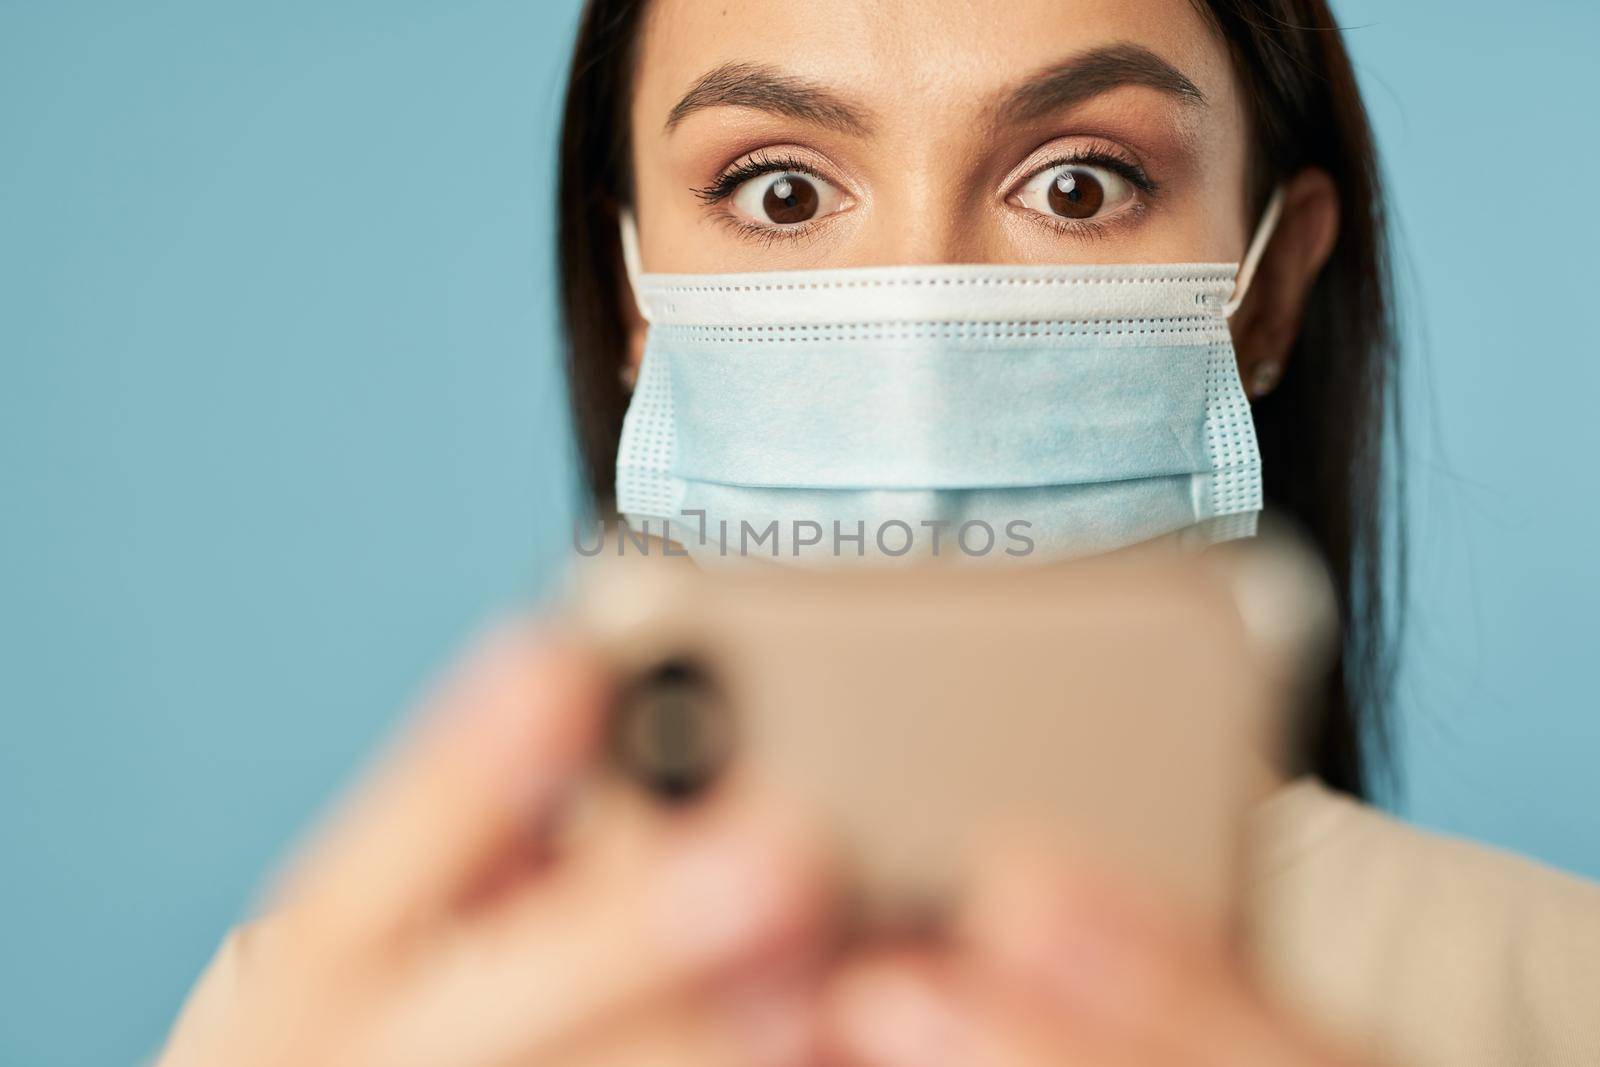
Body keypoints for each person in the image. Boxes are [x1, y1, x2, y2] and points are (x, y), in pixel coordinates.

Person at [155, 2, 1600, 1065]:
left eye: (1078, 183)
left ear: (1273, 283)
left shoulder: (1558, 992)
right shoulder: (336, 1020)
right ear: (638, 296)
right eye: (780, 192)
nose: (917, 313)